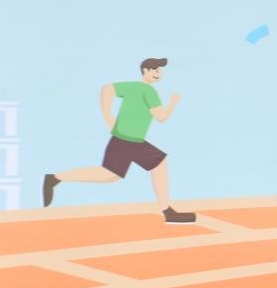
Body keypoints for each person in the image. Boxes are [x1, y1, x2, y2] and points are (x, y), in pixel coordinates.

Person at [42, 57, 197, 224]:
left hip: (123, 139)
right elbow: (161, 117)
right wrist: (173, 102)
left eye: (160, 71)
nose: (158, 73)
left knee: (110, 175)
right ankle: (167, 211)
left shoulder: (132, 87)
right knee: (158, 163)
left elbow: (107, 89)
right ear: (145, 71)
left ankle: (55, 177)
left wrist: (107, 115)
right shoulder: (149, 91)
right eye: (155, 70)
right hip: (130, 141)